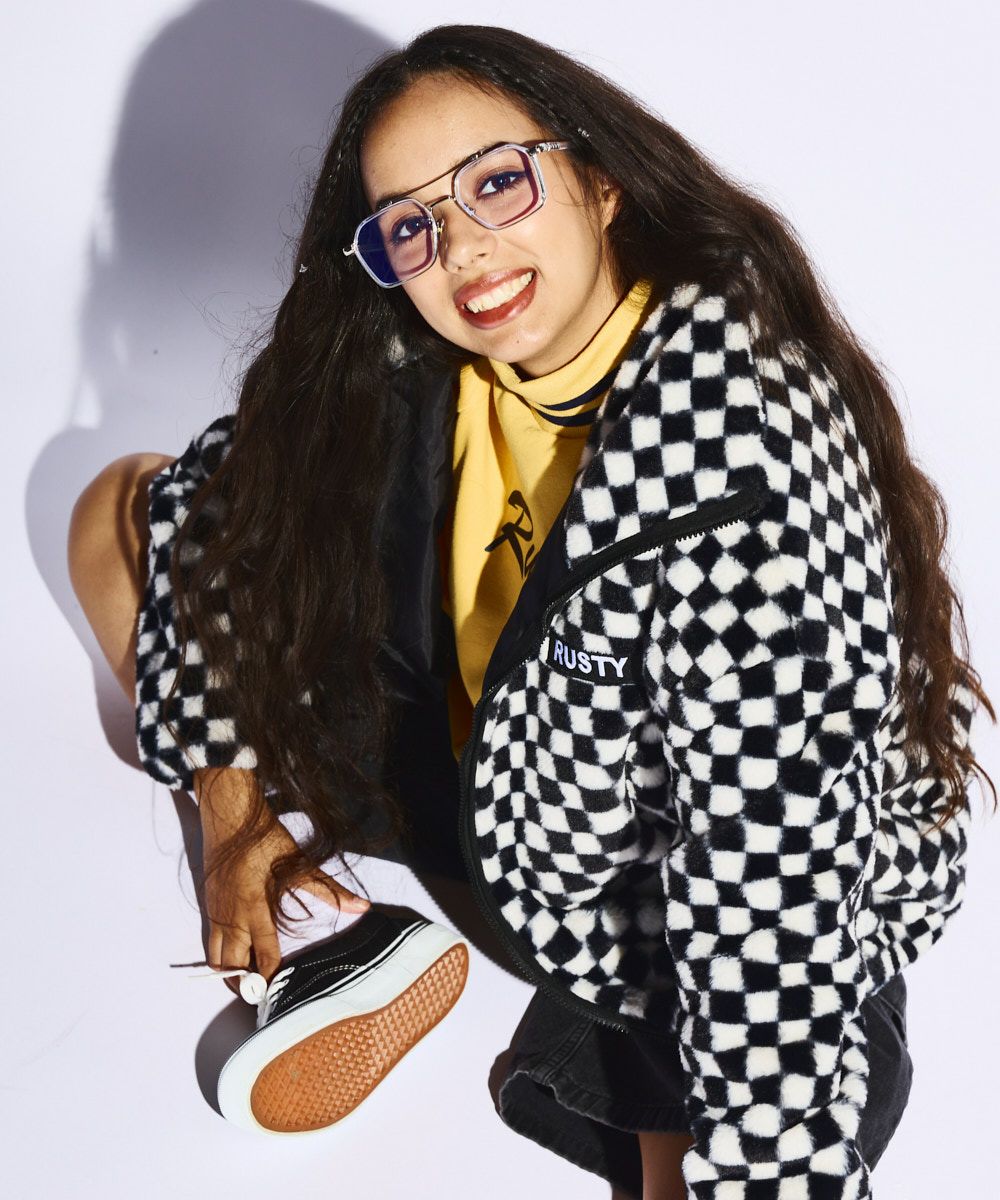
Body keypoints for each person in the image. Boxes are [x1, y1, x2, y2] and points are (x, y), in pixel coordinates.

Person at [67, 23, 995, 1200]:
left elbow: (770, 886)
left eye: (496, 184)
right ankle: (360, 939)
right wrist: (232, 809)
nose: (461, 248)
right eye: (412, 225)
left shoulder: (737, 467)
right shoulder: (413, 370)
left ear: (601, 182)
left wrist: (770, 1149)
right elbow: (206, 512)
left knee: (734, 1095)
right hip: (472, 779)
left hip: (679, 894)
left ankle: (626, 1046)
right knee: (114, 510)